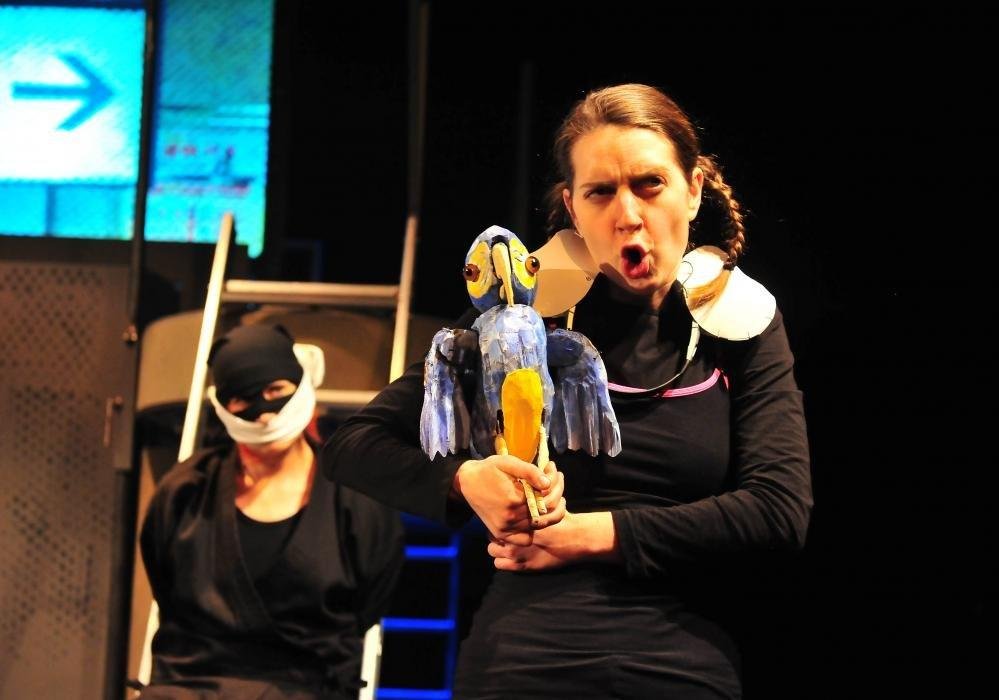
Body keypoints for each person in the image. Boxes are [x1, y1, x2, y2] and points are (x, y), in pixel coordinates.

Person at [322, 83, 811, 698]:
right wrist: (465, 481)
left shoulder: (739, 322)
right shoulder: (524, 317)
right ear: (573, 210)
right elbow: (353, 445)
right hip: (524, 659)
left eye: (650, 184)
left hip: (683, 662)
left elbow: (778, 510)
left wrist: (584, 536)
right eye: (600, 192)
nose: (627, 214)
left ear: (693, 191)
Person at [139, 324, 404, 699]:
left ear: (299, 384)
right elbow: (164, 582)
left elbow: (373, 596)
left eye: (275, 390)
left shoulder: (355, 498)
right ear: (224, 406)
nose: (263, 413)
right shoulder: (184, 493)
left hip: (309, 687)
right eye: (242, 399)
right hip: (192, 684)